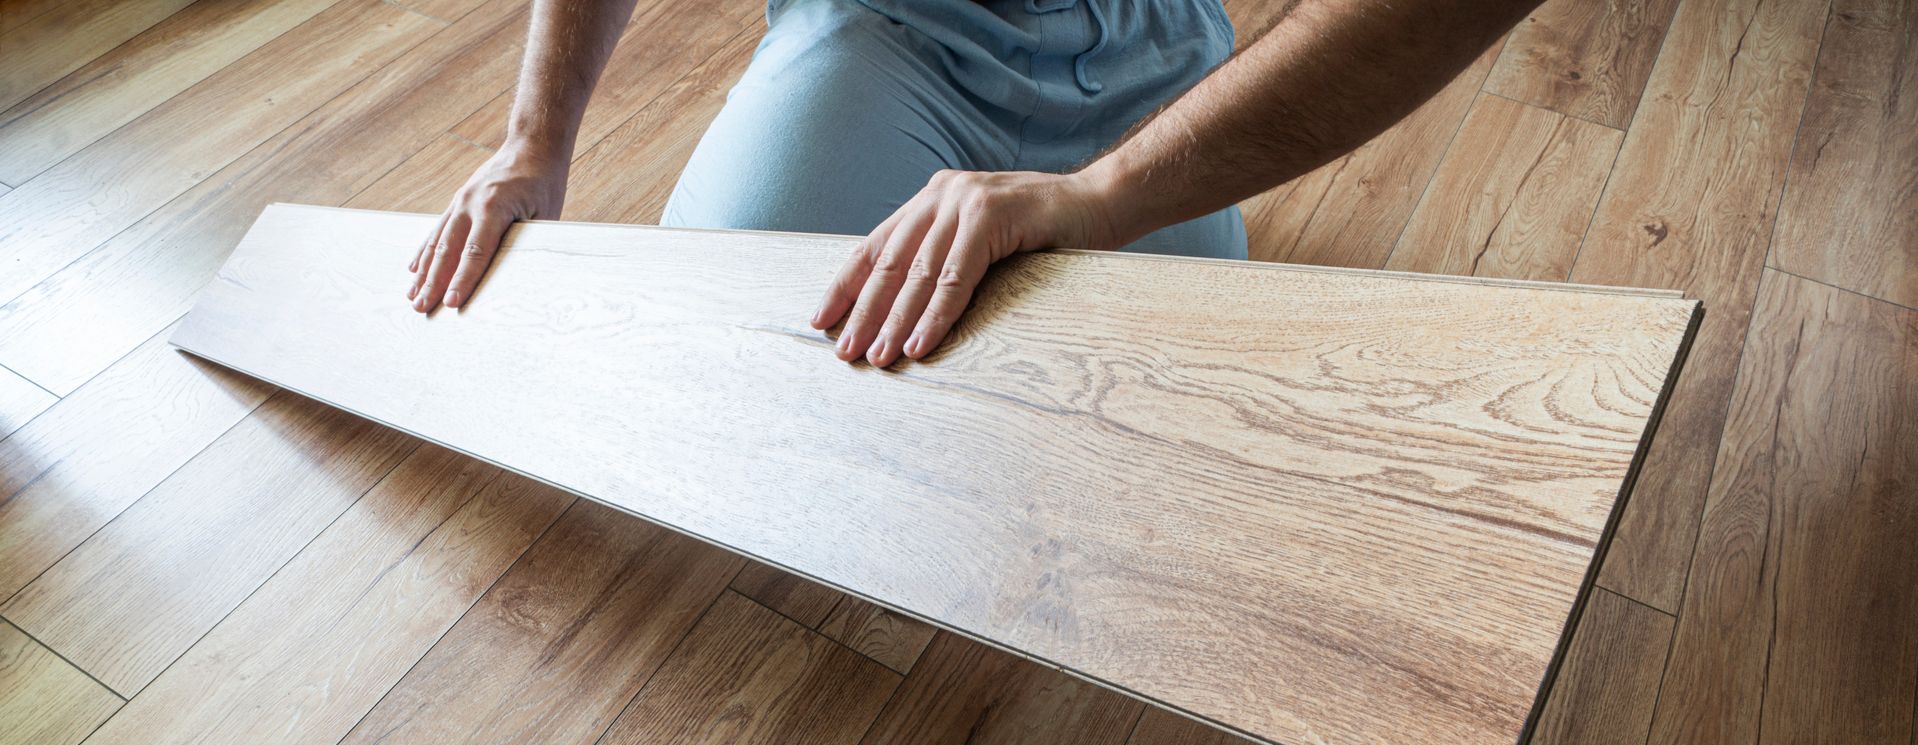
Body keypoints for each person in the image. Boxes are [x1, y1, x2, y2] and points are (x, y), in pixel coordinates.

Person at [407, 0, 1537, 367]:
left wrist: (1102, 195)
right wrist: (532, 142)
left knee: (1167, 397)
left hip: (1141, 42)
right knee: (725, 344)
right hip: (895, 31)